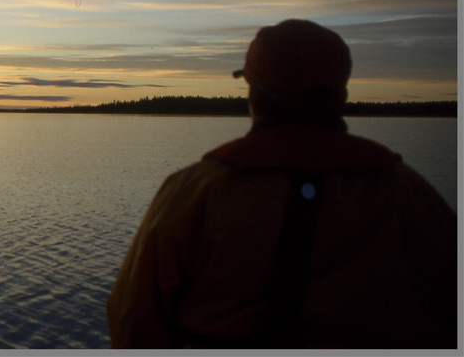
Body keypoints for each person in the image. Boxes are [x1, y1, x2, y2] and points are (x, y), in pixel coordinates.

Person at [107, 19, 457, 349]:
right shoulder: (413, 196)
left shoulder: (195, 191)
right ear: (341, 97)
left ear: (256, 96)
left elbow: (132, 321)